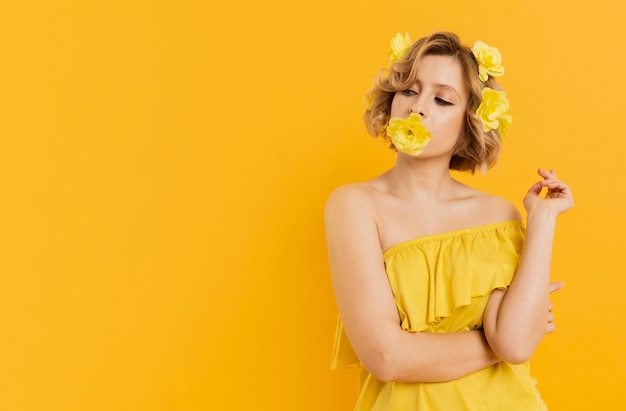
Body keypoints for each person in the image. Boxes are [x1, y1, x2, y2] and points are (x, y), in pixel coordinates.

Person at [324, 31, 573, 410]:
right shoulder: (354, 206)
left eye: (442, 99)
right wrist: (497, 345)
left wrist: (541, 219)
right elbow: (387, 358)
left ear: (468, 122)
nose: (418, 107)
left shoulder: (498, 215)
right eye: (409, 90)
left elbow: (517, 344)